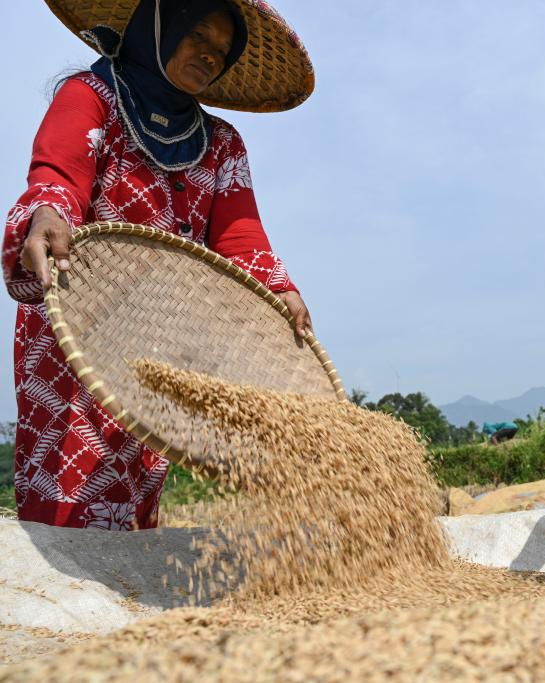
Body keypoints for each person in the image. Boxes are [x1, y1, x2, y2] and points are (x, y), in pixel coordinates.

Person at [2, 0, 315, 530]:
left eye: (222, 51)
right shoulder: (91, 96)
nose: (209, 57)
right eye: (198, 37)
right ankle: (60, 603)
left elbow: (240, 234)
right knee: (69, 480)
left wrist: (278, 287)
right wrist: (49, 213)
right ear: (159, 29)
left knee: (142, 466)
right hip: (79, 320)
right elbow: (57, 173)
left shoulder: (221, 144)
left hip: (162, 333)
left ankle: (124, 591)